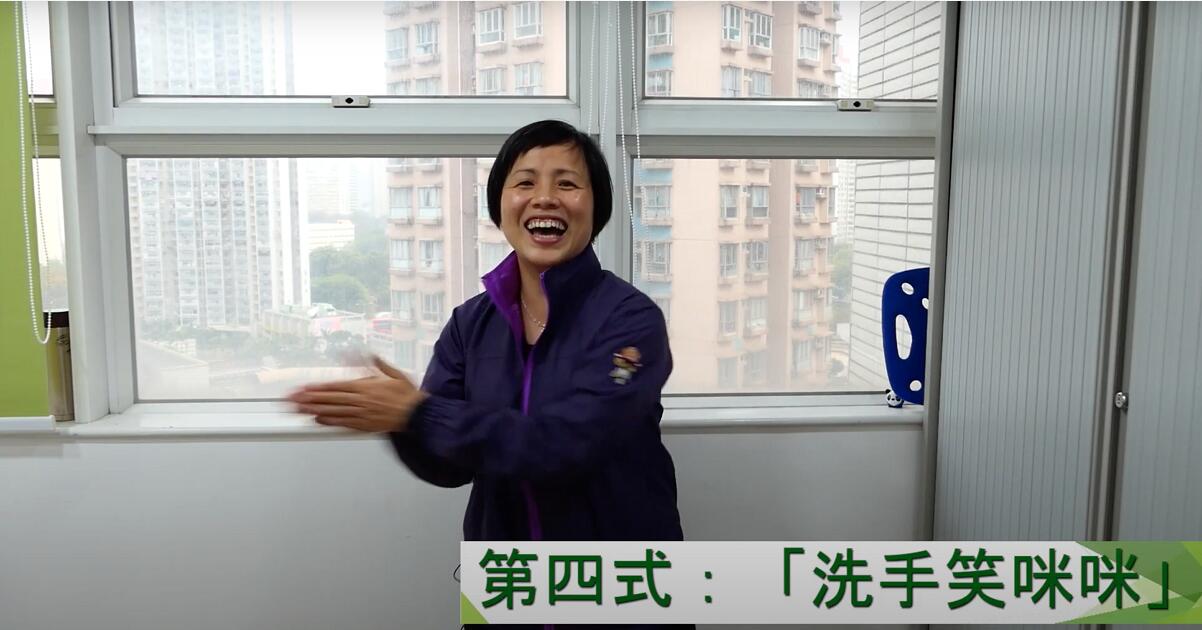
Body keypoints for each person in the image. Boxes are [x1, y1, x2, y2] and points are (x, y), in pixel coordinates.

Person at [290, 119, 685, 546]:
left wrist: (419, 413)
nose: (545, 198)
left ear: (597, 208)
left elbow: (569, 444)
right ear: (499, 205)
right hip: (507, 570)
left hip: (619, 572)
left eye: (567, 184)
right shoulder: (470, 324)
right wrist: (401, 422)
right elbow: (449, 467)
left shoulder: (630, 321)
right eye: (525, 183)